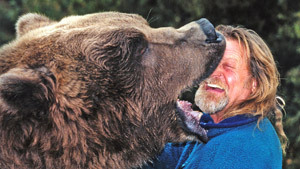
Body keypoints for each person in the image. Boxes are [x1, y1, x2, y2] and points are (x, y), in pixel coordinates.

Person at [142, 25, 288, 169]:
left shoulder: (242, 151)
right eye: (211, 62)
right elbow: (168, 157)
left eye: (228, 67)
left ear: (254, 84)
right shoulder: (218, 125)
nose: (213, 72)